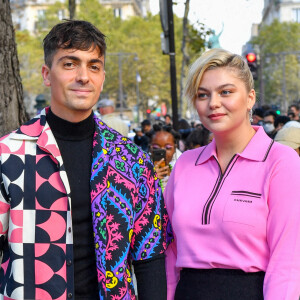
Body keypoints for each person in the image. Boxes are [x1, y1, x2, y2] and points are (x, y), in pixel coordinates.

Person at [0, 20, 169, 300]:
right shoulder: (9, 155)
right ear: (46, 74)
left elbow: (149, 258)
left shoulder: (131, 160)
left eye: (94, 66)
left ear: (102, 75)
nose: (83, 76)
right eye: (70, 64)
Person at [164, 48, 300, 299]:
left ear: (250, 98)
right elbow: (169, 252)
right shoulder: (184, 164)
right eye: (202, 95)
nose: (213, 103)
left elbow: (287, 263)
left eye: (225, 92)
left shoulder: (281, 162)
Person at [149, 124, 181, 192]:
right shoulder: (142, 173)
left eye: (168, 148)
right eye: (156, 148)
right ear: (150, 149)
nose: (163, 152)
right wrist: (150, 180)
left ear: (175, 149)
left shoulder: (179, 172)